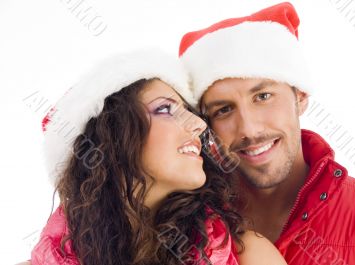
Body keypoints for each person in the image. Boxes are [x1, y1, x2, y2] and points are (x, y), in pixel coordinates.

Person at [178, 2, 355, 264]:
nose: (250, 128)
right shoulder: (183, 225)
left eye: (263, 96)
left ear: (300, 96)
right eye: (224, 110)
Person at [23, 49, 286, 265]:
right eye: (165, 109)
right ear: (113, 137)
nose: (199, 125)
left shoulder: (250, 255)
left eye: (190, 112)